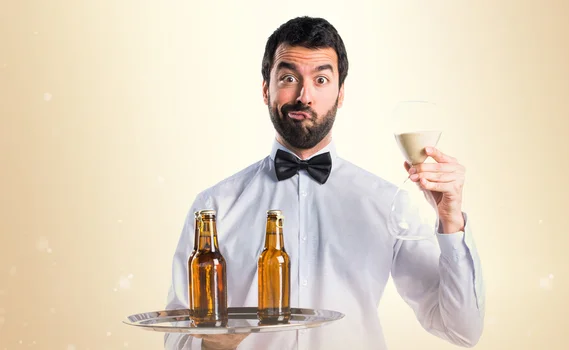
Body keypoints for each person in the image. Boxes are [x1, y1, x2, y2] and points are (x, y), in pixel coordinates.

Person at [164, 16, 485, 350]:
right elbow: (175, 333)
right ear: (265, 89)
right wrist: (211, 346)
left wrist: (451, 221)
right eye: (289, 77)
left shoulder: (386, 202)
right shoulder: (213, 207)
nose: (304, 96)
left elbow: (461, 330)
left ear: (341, 93)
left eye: (320, 79)